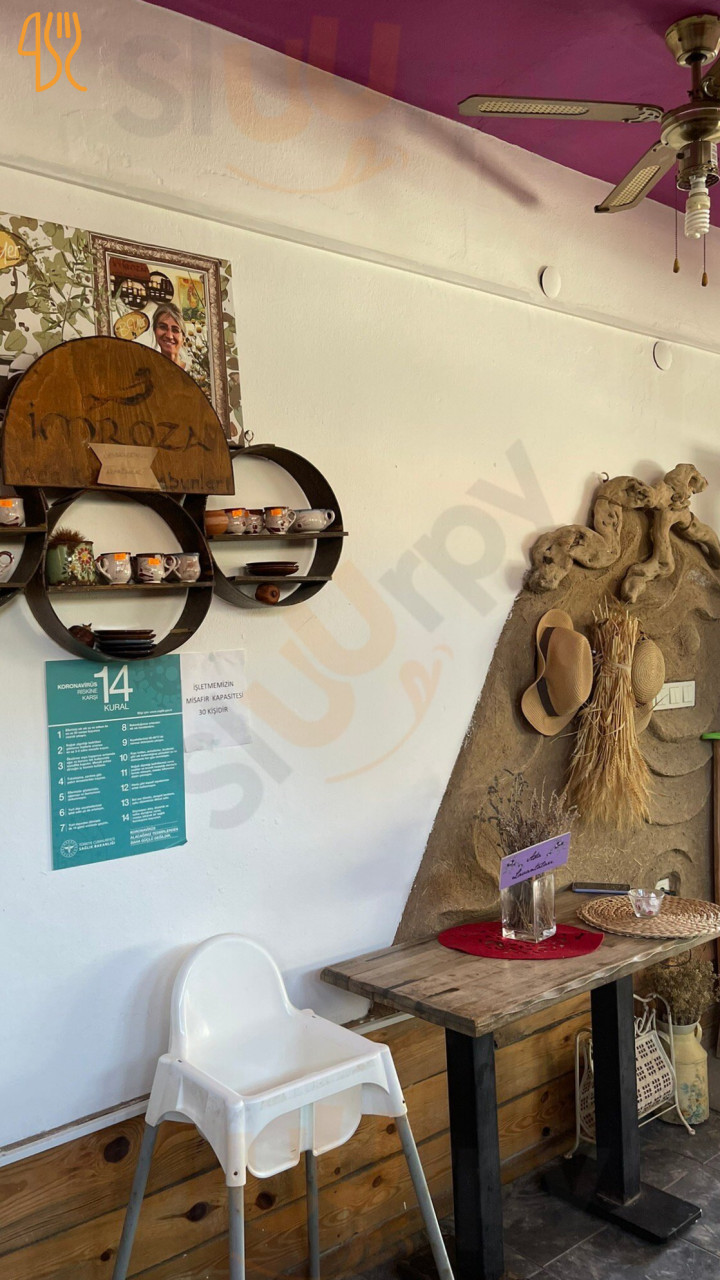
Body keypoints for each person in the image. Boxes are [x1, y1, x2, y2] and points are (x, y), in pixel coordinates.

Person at [152, 302, 188, 367]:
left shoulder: (195, 371)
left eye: (175, 330)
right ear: (155, 331)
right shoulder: (147, 370)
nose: (169, 336)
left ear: (183, 338)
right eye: (163, 327)